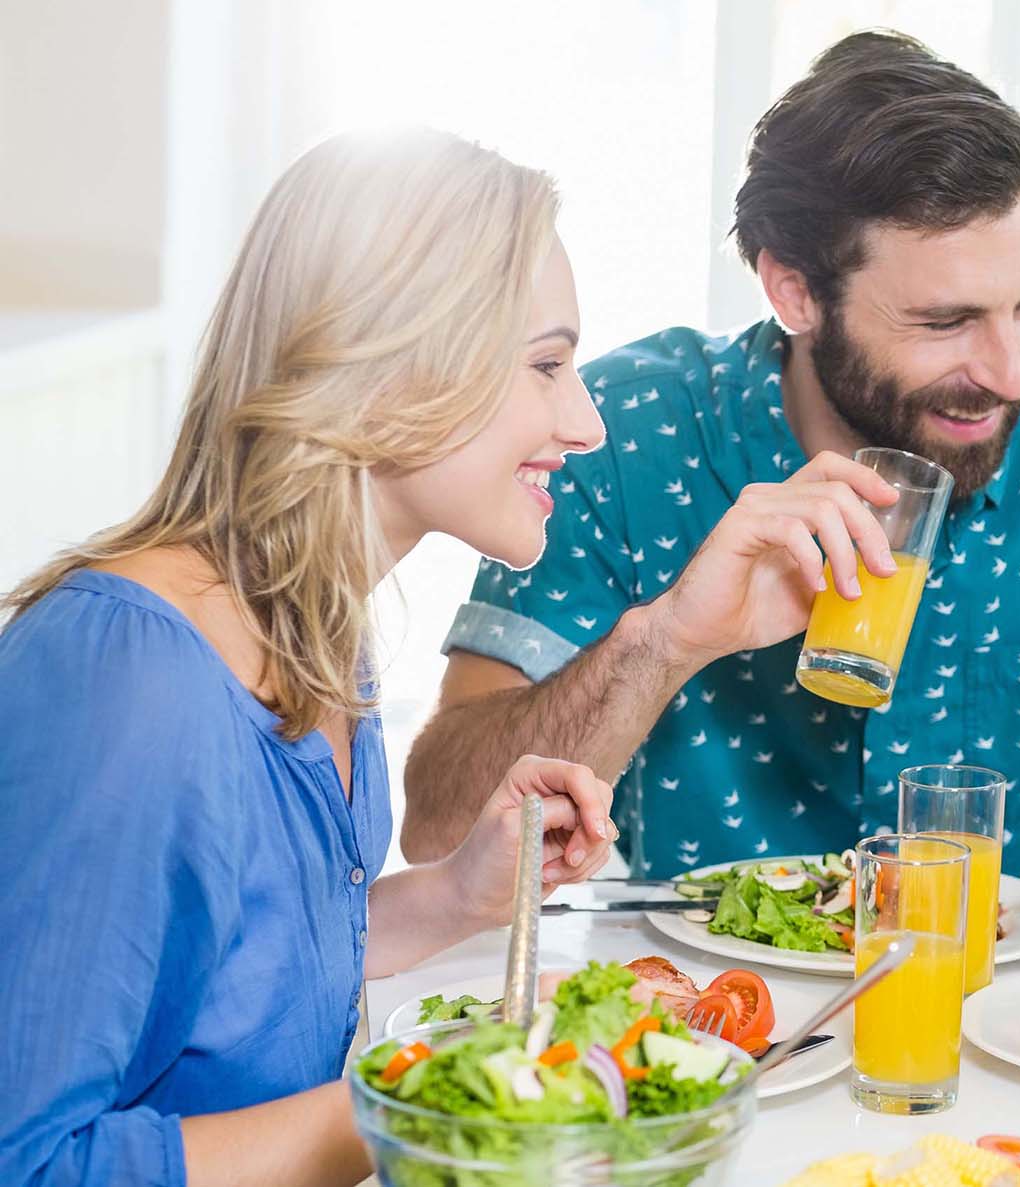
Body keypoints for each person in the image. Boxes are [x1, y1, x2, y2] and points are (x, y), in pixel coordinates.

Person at [401, 31, 1020, 950]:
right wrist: (662, 644)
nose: (1009, 371)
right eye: (946, 321)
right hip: (712, 1027)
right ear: (793, 291)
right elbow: (441, 829)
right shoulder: (624, 435)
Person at [0, 129, 621, 1187]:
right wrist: (419, 1097)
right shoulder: (126, 678)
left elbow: (232, 983)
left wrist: (456, 894)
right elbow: (28, 1160)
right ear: (391, 367)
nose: (586, 421)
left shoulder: (316, 627)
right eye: (547, 366)